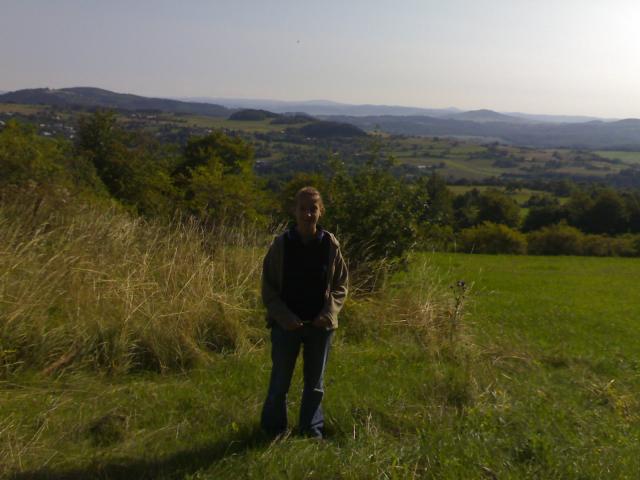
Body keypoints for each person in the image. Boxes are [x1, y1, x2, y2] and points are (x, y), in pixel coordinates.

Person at [260, 186, 348, 439]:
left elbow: (341, 285)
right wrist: (284, 318)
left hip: (320, 327)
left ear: (321, 212)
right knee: (280, 382)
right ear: (294, 211)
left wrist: (328, 314)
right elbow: (268, 288)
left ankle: (312, 430)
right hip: (286, 326)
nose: (308, 214)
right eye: (303, 209)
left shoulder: (329, 245)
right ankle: (273, 431)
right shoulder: (281, 245)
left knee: (315, 385)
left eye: (313, 209)